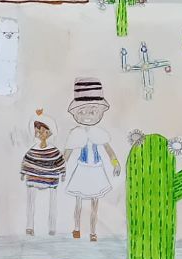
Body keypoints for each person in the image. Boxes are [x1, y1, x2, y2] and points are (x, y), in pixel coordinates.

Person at [62, 78, 120, 241]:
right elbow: (66, 154)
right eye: (82, 112)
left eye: (92, 112)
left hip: (96, 170)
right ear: (75, 113)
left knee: (95, 204)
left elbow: (109, 151)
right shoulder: (75, 133)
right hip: (82, 170)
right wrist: (61, 168)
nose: (87, 116)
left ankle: (93, 231)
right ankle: (77, 228)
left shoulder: (99, 133)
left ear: (100, 113)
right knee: (79, 203)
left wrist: (115, 164)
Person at [19, 110, 65, 236]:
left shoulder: (53, 150)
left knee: (52, 202)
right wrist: (23, 172)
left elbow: (60, 161)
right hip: (33, 178)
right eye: (37, 132)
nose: (39, 134)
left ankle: (52, 227)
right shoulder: (33, 149)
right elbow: (27, 160)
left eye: (42, 131)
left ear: (49, 132)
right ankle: (30, 226)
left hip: (51, 178)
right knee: (30, 201)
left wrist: (62, 172)